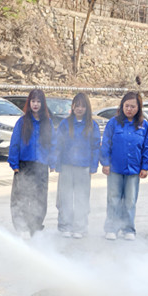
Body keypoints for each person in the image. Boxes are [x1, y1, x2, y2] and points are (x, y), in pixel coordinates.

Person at [100, 91, 148, 241]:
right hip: (115, 168)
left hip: (134, 169)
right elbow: (106, 144)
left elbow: (147, 147)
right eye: (127, 106)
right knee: (114, 199)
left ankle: (128, 229)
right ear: (122, 106)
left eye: (133, 106)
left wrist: (145, 167)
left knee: (130, 201)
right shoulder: (113, 123)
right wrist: (105, 163)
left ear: (139, 108)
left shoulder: (144, 125)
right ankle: (111, 228)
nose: (129, 109)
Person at [51, 92, 101, 239]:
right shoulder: (65, 124)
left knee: (82, 198)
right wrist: (56, 162)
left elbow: (95, 146)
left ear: (87, 108)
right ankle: (65, 226)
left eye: (83, 106)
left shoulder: (92, 125)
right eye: (77, 105)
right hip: (66, 166)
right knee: (64, 198)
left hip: (84, 167)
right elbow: (58, 144)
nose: (79, 108)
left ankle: (80, 227)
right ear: (72, 107)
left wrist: (93, 165)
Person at [8, 89, 53, 239]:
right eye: (33, 101)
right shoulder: (22, 122)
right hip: (24, 165)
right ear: (29, 103)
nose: (35, 104)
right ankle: (22, 226)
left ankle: (35, 227)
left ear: (43, 104)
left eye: (39, 101)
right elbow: (14, 143)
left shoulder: (47, 122)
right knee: (21, 197)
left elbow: (53, 143)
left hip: (41, 165)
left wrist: (52, 161)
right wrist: (14, 163)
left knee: (39, 198)